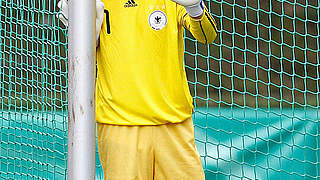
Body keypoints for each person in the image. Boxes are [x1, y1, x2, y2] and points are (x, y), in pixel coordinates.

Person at [58, 0, 217, 179]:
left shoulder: (171, 3)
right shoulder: (96, 2)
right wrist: (80, 32)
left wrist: (195, 7)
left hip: (173, 123)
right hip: (119, 124)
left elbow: (207, 36)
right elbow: (84, 55)